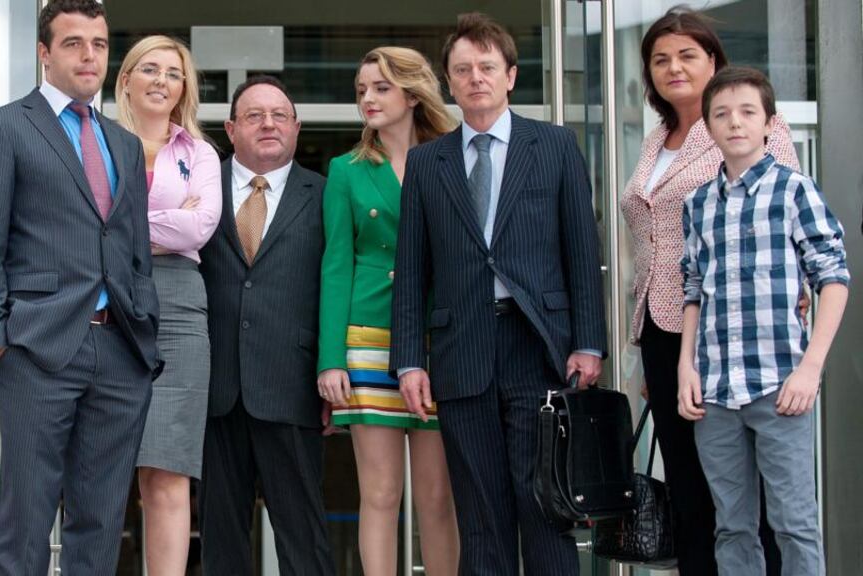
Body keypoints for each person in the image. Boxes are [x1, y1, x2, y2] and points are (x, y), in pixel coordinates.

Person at [390, 13, 606, 576]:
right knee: (480, 518)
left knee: (545, 510)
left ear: (510, 75)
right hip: (462, 352)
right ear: (449, 82)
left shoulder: (555, 146)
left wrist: (589, 342)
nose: (475, 78)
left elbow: (582, 252)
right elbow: (412, 267)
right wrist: (410, 360)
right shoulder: (426, 162)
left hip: (539, 348)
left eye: (487, 67)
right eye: (462, 69)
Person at [0, 1, 160, 573]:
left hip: (120, 348)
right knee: (26, 515)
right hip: (38, 345)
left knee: (100, 520)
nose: (89, 55)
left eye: (98, 43)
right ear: (45, 54)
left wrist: (144, 334)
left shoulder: (122, 142)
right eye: (73, 43)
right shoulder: (2, 127)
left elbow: (135, 251)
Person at [618, 7, 801, 573]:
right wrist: (647, 357)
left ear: (713, 60)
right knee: (690, 492)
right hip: (663, 331)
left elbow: (788, 223)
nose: (673, 67)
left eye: (687, 55)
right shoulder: (655, 140)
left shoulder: (747, 123)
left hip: (734, 331)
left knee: (748, 491)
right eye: (660, 58)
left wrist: (795, 303)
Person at [679, 66, 849, 576]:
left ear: (770, 123)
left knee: (794, 523)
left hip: (780, 386)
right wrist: (686, 367)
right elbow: (692, 290)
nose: (735, 123)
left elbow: (834, 279)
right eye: (722, 115)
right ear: (708, 128)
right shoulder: (698, 204)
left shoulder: (795, 191)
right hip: (715, 391)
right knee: (731, 526)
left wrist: (810, 368)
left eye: (748, 112)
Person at [317, 47, 459, 575]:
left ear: (412, 93)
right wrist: (331, 358)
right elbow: (336, 265)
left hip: (436, 338)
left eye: (380, 87)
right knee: (378, 493)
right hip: (369, 338)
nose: (368, 99)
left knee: (438, 496)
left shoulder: (453, 159)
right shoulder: (346, 170)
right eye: (361, 90)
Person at [197, 75, 335, 576]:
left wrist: (329, 367)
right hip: (215, 390)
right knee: (221, 537)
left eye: (280, 115)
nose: (269, 124)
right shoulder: (201, 189)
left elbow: (335, 287)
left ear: (297, 128)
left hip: (292, 386)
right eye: (254, 116)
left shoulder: (325, 194)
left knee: (303, 538)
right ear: (231, 130)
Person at [114, 36, 221, 575]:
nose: (161, 80)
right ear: (127, 79)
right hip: (106, 300)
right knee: (106, 467)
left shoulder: (199, 153)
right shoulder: (98, 144)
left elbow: (200, 226)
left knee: (167, 468)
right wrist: (164, 225)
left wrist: (123, 229)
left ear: (184, 88)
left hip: (179, 305)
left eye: (173, 73)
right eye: (149, 69)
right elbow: (82, 228)